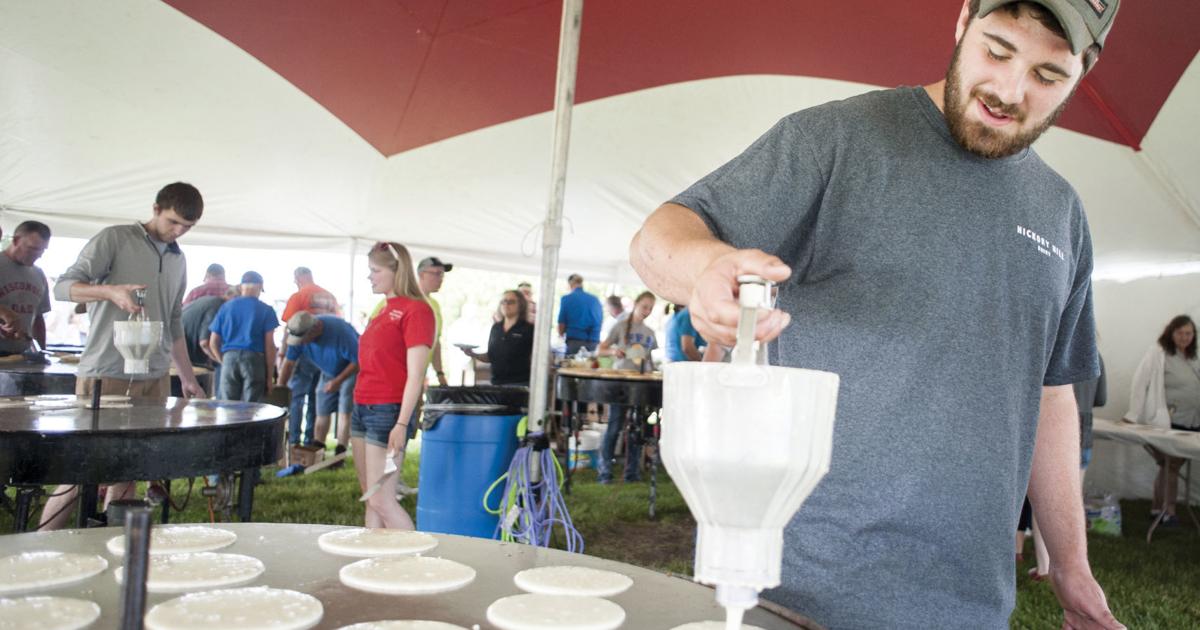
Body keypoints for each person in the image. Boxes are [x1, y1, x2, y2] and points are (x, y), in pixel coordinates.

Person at [628, 1, 1122, 627]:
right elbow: (658, 236)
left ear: (1087, 68)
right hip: (795, 594)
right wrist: (704, 269)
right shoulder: (838, 140)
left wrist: (1072, 564)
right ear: (964, 18)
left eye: (1047, 76)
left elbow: (1049, 394)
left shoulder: (1062, 214)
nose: (1009, 90)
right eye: (996, 51)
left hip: (969, 604)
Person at [41, 182, 207, 530]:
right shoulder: (114, 239)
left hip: (156, 376)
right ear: (156, 208)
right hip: (107, 372)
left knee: (130, 468)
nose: (178, 232)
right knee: (82, 468)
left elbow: (174, 320)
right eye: (173, 222)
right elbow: (63, 287)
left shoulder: (179, 257)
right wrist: (108, 292)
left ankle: (114, 548)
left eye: (187, 227)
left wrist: (188, 379)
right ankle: (41, 542)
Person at [353, 242, 434, 529]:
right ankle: (372, 566)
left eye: (375, 270)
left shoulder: (417, 310)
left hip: (387, 410)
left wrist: (401, 424)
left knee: (382, 500)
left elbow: (416, 374)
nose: (370, 277)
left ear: (396, 272)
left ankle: (414, 561)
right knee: (370, 498)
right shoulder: (383, 310)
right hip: (362, 405)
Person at [1125, 315, 1199, 527]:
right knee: (1171, 466)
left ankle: (1158, 508)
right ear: (1171, 332)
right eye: (1180, 333)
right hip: (1169, 423)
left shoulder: (1193, 357)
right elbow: (1140, 382)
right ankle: (1169, 512)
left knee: (1168, 467)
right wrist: (1133, 414)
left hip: (1192, 423)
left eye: (1189, 333)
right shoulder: (1159, 353)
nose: (1185, 337)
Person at [277, 311, 359, 459]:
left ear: (315, 329)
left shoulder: (341, 332)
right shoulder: (300, 333)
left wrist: (337, 381)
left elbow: (358, 361)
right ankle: (317, 449)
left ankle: (340, 453)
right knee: (322, 409)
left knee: (344, 410)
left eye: (303, 339)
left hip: (351, 369)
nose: (301, 343)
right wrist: (280, 388)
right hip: (328, 371)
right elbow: (288, 364)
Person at [596, 291, 657, 483]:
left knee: (636, 427)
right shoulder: (620, 326)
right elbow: (601, 350)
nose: (647, 311)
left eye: (650, 308)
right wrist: (615, 351)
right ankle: (605, 471)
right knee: (614, 426)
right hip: (620, 381)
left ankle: (632, 472)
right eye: (645, 306)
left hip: (640, 383)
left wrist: (652, 372)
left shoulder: (650, 333)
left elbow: (649, 360)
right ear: (637, 303)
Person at [279, 267, 340, 446]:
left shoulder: (298, 296)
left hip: (303, 350)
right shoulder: (330, 296)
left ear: (298, 278)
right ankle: (310, 441)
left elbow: (290, 328)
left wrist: (283, 353)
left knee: (296, 396)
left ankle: (294, 441)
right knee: (316, 397)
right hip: (325, 353)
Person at [208, 271, 278, 402]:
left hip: (229, 357)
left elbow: (212, 342)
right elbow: (270, 346)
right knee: (252, 409)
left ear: (241, 287)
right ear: (260, 287)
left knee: (228, 407)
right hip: (254, 360)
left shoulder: (226, 307)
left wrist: (224, 361)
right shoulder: (266, 310)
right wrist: (269, 378)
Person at [0, 221, 52, 355]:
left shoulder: (38, 274)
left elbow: (38, 318)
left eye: (42, 250)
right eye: (33, 248)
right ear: (16, 240)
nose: (38, 254)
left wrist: (41, 352)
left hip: (23, 354)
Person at [462, 290, 534, 386]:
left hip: (520, 384)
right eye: (503, 302)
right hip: (496, 383)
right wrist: (473, 354)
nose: (506, 304)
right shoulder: (496, 328)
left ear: (520, 305)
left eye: (511, 302)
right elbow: (491, 357)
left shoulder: (528, 329)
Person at [181, 285, 237, 395]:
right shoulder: (218, 306)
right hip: (186, 354)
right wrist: (221, 361)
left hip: (179, 349)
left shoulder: (210, 301)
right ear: (230, 296)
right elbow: (205, 343)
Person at [416, 257, 451, 387]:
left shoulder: (434, 305)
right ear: (421, 275)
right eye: (436, 273)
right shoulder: (404, 298)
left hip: (420, 374)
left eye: (442, 274)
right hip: (399, 372)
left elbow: (435, 342)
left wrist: (440, 373)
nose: (440, 278)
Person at [557, 274, 603, 356]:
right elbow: (600, 320)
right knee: (589, 367)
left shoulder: (567, 299)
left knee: (572, 366)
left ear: (570, 284)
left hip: (575, 341)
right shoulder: (595, 299)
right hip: (594, 342)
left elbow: (562, 322)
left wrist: (561, 335)